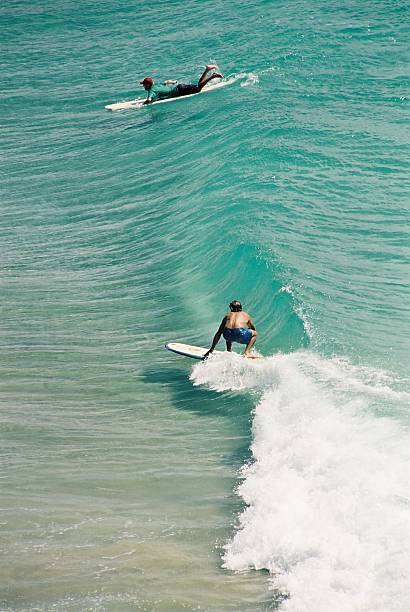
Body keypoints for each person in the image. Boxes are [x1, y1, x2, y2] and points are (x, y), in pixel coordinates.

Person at [140, 64, 224, 104]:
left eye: (144, 85)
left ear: (148, 85)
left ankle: (213, 76)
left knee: (198, 89)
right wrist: (173, 82)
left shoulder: (152, 90)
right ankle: (207, 70)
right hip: (179, 87)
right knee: (198, 86)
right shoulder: (157, 85)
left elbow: (149, 100)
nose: (143, 86)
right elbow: (166, 81)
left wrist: (143, 104)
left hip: (180, 90)